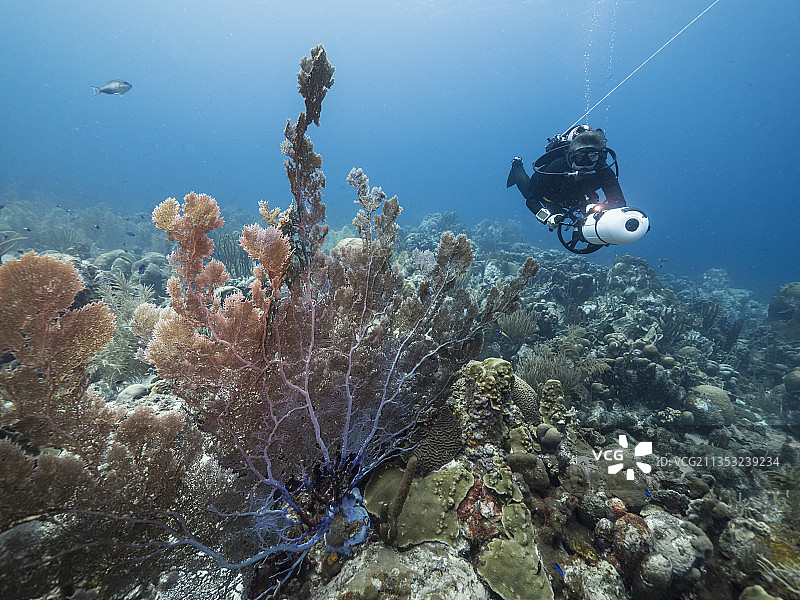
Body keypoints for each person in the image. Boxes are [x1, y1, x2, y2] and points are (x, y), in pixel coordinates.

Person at [507, 125, 626, 231]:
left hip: (581, 198)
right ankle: (517, 166)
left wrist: (599, 209)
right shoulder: (556, 167)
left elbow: (619, 202)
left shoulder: (603, 170)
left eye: (592, 156)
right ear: (571, 155)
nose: (586, 163)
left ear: (600, 156)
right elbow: (531, 200)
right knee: (528, 192)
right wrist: (548, 218)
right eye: (580, 157)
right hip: (552, 196)